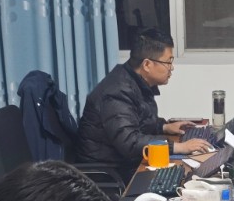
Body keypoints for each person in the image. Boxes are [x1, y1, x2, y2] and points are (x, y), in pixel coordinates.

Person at [76, 27, 210, 177]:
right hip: (111, 172)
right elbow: (129, 142)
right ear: (147, 65)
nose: (171, 68)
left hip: (127, 163)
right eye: (168, 62)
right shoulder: (117, 91)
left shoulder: (135, 81)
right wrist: (179, 147)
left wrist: (164, 126)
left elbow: (140, 121)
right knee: (181, 175)